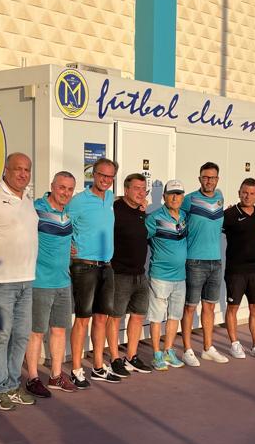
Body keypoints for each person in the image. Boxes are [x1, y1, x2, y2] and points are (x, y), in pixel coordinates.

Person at [0, 153, 39, 409]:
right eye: (18, 169)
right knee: (0, 337)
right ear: (5, 170)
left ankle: (12, 384)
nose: (23, 174)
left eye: (27, 170)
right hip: (1, 281)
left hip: (27, 280)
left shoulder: (27, 200)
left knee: (20, 337)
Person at [68, 157, 120, 388]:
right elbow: (61, 220)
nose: (105, 180)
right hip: (84, 266)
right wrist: (67, 245)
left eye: (110, 176)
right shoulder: (78, 201)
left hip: (106, 266)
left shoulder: (109, 198)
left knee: (102, 318)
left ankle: (98, 366)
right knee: (82, 319)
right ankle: (76, 369)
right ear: (93, 174)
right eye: (101, 175)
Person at [24, 171, 77, 396]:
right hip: (40, 282)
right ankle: (33, 378)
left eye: (70, 189)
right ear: (52, 186)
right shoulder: (35, 208)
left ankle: (55, 375)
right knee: (36, 332)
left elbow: (66, 239)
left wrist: (71, 248)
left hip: (63, 282)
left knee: (59, 330)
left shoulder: (68, 213)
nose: (65, 192)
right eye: (61, 187)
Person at [181, 162, 228, 366]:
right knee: (190, 307)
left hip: (215, 262)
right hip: (194, 261)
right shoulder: (189, 200)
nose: (209, 181)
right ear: (199, 178)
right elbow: (174, 217)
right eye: (205, 177)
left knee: (209, 307)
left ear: (217, 179)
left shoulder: (220, 198)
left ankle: (208, 348)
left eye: (212, 177)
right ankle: (187, 350)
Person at [106, 173, 152, 377]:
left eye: (143, 189)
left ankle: (131, 356)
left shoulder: (142, 212)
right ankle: (115, 358)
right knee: (115, 317)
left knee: (138, 315)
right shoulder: (114, 209)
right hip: (119, 274)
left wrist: (144, 209)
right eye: (136, 188)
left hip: (140, 274)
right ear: (126, 190)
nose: (141, 193)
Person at [222, 178, 255, 360]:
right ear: (239, 193)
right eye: (244, 192)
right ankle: (234, 344)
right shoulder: (229, 214)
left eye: (252, 193)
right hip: (235, 270)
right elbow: (211, 231)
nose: (247, 196)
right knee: (233, 307)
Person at [145, 180, 188, 371]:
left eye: (178, 194)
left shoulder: (185, 216)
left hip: (180, 277)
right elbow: (140, 239)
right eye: (171, 194)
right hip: (160, 276)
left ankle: (169, 351)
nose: (175, 197)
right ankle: (157, 354)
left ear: (183, 197)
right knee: (156, 317)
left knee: (174, 316)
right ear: (164, 196)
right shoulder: (154, 218)